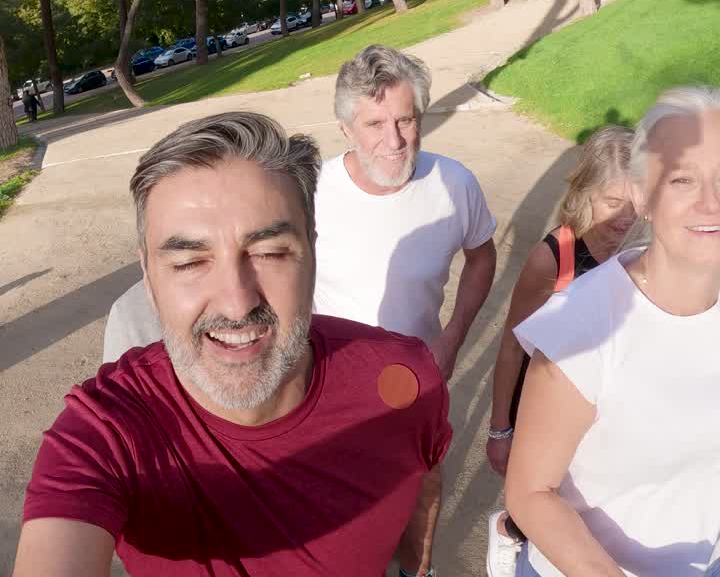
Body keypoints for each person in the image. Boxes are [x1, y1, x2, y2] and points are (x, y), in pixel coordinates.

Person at [0, 112, 451, 577]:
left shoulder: (402, 377)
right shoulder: (105, 430)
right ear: (147, 275)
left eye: (269, 249)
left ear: (312, 252)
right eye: (188, 260)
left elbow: (423, 484)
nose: (237, 301)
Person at [477, 86, 720, 577]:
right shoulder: (589, 322)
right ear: (646, 193)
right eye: (684, 178)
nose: (711, 200)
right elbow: (530, 490)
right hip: (580, 574)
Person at [104, 45, 497, 382]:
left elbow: (482, 255)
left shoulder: (455, 184)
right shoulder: (306, 193)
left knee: (426, 470)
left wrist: (452, 338)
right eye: (375, 124)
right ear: (346, 130)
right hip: (325, 378)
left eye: (405, 120)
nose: (393, 140)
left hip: (417, 372)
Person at [485, 126, 635, 577]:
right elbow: (512, 346)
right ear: (584, 192)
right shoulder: (553, 260)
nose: (624, 217)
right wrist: (499, 430)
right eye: (613, 202)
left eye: (634, 203)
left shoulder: (635, 251)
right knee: (545, 499)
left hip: (598, 396)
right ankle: (509, 530)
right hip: (544, 401)